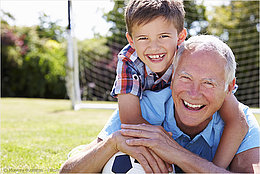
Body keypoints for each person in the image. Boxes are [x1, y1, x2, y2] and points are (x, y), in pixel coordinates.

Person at [59, 35, 260, 173]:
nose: (193, 93)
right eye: (185, 77)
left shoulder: (241, 122)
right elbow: (67, 172)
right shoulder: (144, 107)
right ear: (172, 76)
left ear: (229, 87)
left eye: (208, 83)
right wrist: (112, 143)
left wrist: (178, 154)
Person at [101, 0, 248, 169]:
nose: (154, 47)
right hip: (156, 117)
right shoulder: (128, 61)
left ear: (180, 37)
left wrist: (213, 169)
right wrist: (164, 144)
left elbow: (237, 120)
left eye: (163, 36)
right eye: (143, 38)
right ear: (131, 40)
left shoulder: (190, 57)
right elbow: (130, 120)